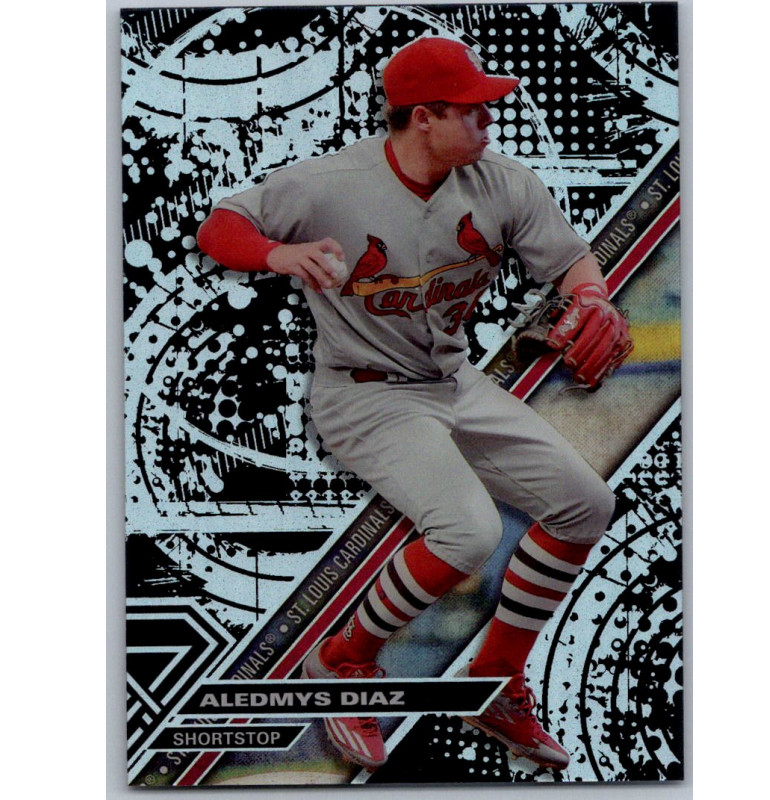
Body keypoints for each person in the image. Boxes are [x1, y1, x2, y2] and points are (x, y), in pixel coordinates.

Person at [197, 36, 631, 772]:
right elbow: (220, 226)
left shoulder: (501, 183)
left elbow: (569, 260)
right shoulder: (331, 183)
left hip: (453, 382)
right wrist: (277, 253)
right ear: (423, 117)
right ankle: (342, 658)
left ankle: (494, 682)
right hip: (364, 395)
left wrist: (590, 295)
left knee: (586, 506)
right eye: (473, 109)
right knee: (467, 532)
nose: (490, 119)